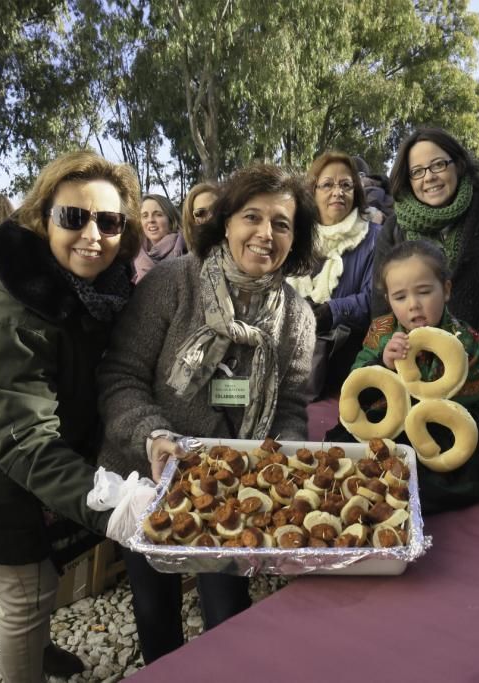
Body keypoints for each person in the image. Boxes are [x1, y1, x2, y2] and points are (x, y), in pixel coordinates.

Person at [0, 150, 149, 681]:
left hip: (18, 473)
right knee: (30, 595)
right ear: (42, 218)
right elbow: (25, 443)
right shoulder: (12, 317)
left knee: (44, 576)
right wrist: (116, 502)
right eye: (74, 217)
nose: (93, 234)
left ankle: (40, 650)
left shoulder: (90, 293)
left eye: (109, 221)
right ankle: (27, 657)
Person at [97, 163, 318, 662]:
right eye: (252, 217)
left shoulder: (297, 317)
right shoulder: (174, 283)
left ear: (295, 237)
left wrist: (274, 454)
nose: (265, 234)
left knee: (229, 612)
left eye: (281, 224)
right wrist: (152, 434)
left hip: (232, 489)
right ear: (225, 223)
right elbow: (121, 377)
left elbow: (291, 404)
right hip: (151, 473)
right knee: (156, 614)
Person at [335, 240, 479, 514]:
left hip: (440, 434)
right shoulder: (382, 332)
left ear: (445, 290)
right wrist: (383, 363)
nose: (413, 306)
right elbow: (356, 391)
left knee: (459, 474)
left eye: (423, 292)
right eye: (400, 297)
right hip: (387, 427)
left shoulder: (466, 342)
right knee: (344, 446)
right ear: (388, 301)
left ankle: (401, 495)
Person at [372, 127, 479, 414]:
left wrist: (471, 369)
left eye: (438, 165)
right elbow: (381, 305)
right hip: (412, 376)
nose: (429, 177)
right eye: (418, 171)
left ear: (458, 165)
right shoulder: (394, 229)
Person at [287, 152, 380, 396]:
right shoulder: (296, 238)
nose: (337, 192)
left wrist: (332, 311)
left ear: (356, 192)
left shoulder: (375, 237)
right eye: (327, 184)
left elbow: (377, 299)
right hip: (291, 374)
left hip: (350, 373)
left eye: (346, 185)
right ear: (313, 191)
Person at [133, 193, 181, 283]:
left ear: (171, 219)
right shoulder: (131, 255)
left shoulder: (187, 250)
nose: (150, 220)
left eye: (158, 214)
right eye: (145, 216)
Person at [176, 182, 219, 256]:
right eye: (200, 213)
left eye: (215, 209)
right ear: (191, 221)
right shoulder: (184, 263)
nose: (210, 216)